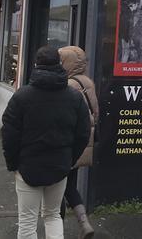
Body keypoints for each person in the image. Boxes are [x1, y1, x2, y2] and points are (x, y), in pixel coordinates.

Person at [2, 47, 91, 239]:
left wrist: (13, 163)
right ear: (59, 65)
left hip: (28, 167)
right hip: (59, 166)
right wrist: (69, 159)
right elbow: (83, 134)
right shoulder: (74, 97)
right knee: (52, 215)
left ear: (36, 65)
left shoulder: (22, 97)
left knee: (27, 221)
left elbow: (9, 133)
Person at [58, 46, 98, 239]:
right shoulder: (87, 82)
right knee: (70, 185)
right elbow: (95, 113)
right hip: (84, 143)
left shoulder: (68, 85)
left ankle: (57, 226)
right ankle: (84, 222)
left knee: (57, 186)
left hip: (68, 144)